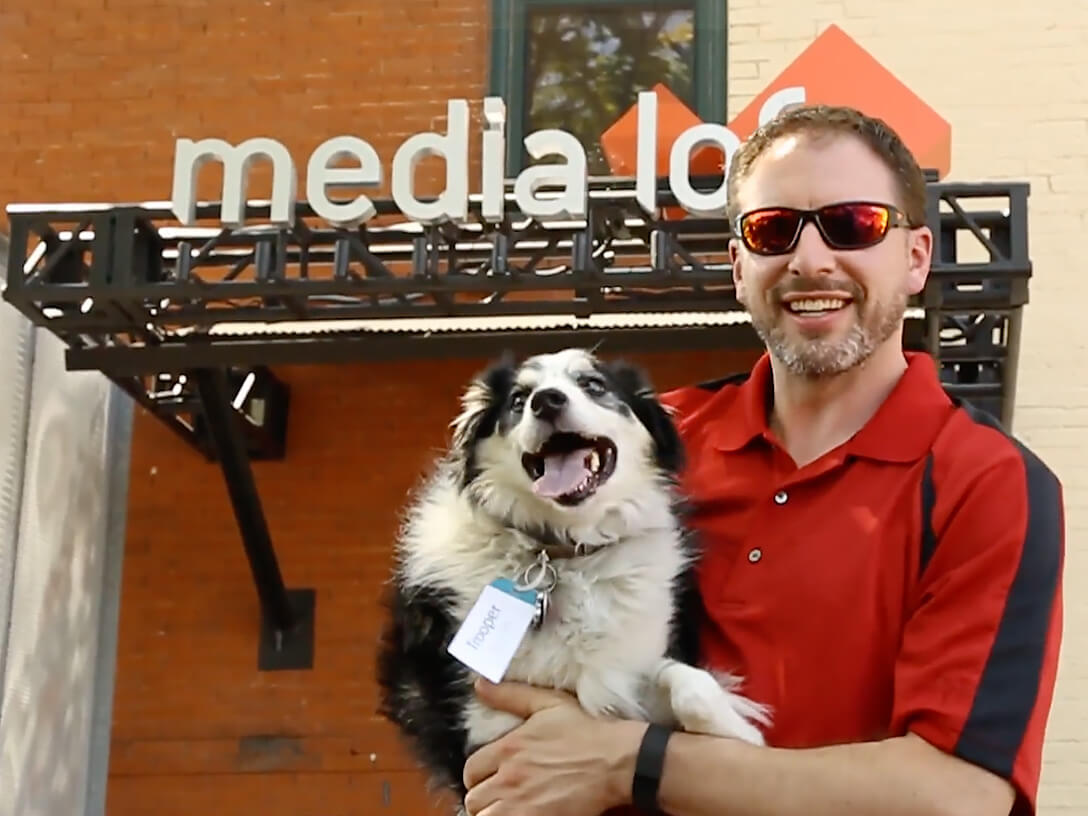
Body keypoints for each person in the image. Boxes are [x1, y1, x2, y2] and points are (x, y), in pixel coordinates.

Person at [458, 104, 1064, 816]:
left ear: (915, 257)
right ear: (740, 266)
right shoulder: (640, 447)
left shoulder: (987, 482)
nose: (809, 261)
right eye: (773, 230)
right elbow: (475, 659)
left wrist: (634, 764)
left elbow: (959, 796)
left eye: (855, 224)